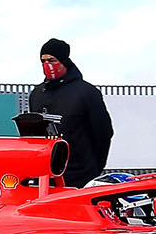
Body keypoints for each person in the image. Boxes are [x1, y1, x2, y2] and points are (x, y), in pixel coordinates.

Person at [29, 38, 114, 188]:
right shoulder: (37, 94)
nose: (47, 65)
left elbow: (103, 133)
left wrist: (94, 167)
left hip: (80, 175)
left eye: (52, 60)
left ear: (64, 61)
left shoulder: (87, 92)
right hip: (46, 177)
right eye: (43, 61)